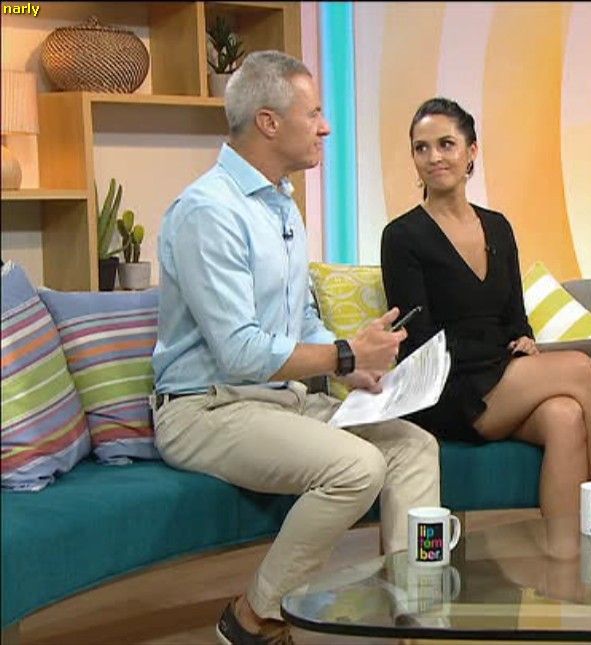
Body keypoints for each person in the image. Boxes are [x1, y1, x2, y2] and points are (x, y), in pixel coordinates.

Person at [151, 51, 440, 645]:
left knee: (413, 445)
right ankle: (253, 616)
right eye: (313, 114)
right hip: (205, 408)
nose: (325, 127)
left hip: (278, 399)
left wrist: (352, 372)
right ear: (268, 121)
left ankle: (417, 622)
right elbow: (239, 352)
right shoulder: (208, 212)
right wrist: (344, 355)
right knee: (356, 466)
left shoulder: (281, 203)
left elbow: (300, 319)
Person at [380, 97, 591, 527]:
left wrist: (524, 339)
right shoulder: (402, 236)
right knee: (581, 370)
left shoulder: (498, 227)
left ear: (471, 151)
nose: (434, 157)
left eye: (446, 144)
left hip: (499, 376)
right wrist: (503, 358)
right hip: (447, 388)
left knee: (565, 417)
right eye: (421, 148)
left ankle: (565, 560)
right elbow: (419, 344)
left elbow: (514, 315)